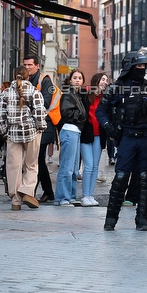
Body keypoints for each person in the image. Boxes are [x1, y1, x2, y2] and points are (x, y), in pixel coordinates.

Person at [96, 50, 147, 231]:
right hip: (127, 139)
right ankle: (110, 220)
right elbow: (101, 111)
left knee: (145, 178)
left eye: (144, 66)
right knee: (121, 178)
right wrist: (108, 126)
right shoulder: (116, 88)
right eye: (139, 65)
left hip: (146, 140)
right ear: (129, 67)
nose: (142, 69)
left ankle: (142, 220)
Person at [0, 67, 47, 210]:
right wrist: (41, 127)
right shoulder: (35, 92)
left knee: (13, 167)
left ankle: (15, 201)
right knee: (31, 165)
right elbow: (40, 113)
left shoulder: (5, 93)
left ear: (13, 76)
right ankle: (27, 191)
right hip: (31, 132)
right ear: (28, 77)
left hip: (13, 132)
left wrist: (5, 131)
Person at [25, 55, 60, 203]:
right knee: (35, 159)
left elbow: (45, 102)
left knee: (37, 158)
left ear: (37, 66)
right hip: (31, 125)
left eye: (30, 65)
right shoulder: (24, 79)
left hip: (45, 125)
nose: (27, 67)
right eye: (25, 65)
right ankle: (44, 191)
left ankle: (32, 192)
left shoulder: (44, 80)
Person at [56, 69, 88, 206]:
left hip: (75, 132)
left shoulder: (78, 95)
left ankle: (71, 196)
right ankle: (63, 198)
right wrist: (81, 116)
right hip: (69, 131)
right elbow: (66, 112)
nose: (77, 80)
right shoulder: (68, 94)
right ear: (70, 80)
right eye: (75, 77)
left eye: (80, 78)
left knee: (74, 168)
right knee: (67, 167)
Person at [81, 73, 109, 207]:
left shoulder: (105, 97)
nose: (105, 82)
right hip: (87, 134)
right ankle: (85, 195)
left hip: (99, 135)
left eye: (106, 80)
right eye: (103, 79)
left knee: (95, 166)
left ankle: (90, 195)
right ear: (96, 80)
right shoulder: (86, 93)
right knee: (89, 166)